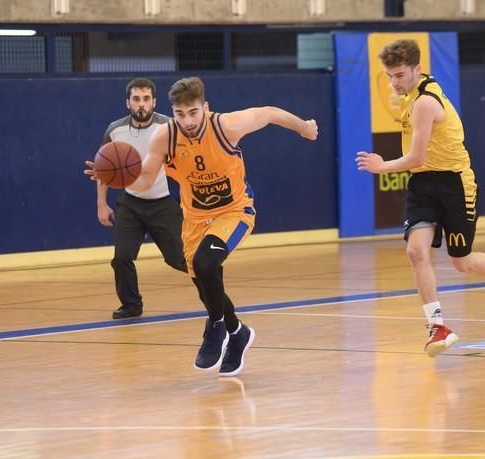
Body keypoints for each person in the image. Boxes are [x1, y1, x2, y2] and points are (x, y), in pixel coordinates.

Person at [87, 76, 318, 376]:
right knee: (203, 282)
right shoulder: (164, 137)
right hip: (194, 219)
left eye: (193, 112)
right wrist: (114, 175)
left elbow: (270, 112)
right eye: (180, 114)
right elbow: (144, 179)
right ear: (172, 112)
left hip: (234, 212)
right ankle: (238, 333)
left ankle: (215, 326)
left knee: (206, 264)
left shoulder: (227, 126)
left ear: (205, 108)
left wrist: (303, 127)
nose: (188, 120)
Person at [355, 39, 485, 358]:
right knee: (415, 251)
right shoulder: (413, 93)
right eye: (389, 77)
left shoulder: (425, 101)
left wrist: (382, 166)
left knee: (461, 261)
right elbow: (420, 166)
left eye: (399, 75)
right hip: (423, 184)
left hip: (454, 183)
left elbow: (417, 157)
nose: (394, 83)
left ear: (417, 70)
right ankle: (437, 325)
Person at [95, 78, 187, 320]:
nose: (141, 104)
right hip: (131, 203)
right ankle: (131, 305)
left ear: (154, 102)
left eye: (146, 99)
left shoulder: (169, 126)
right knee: (121, 258)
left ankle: (211, 294)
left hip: (162, 203)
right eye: (136, 99)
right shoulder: (115, 130)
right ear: (128, 103)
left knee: (180, 259)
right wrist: (101, 204)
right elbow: (103, 170)